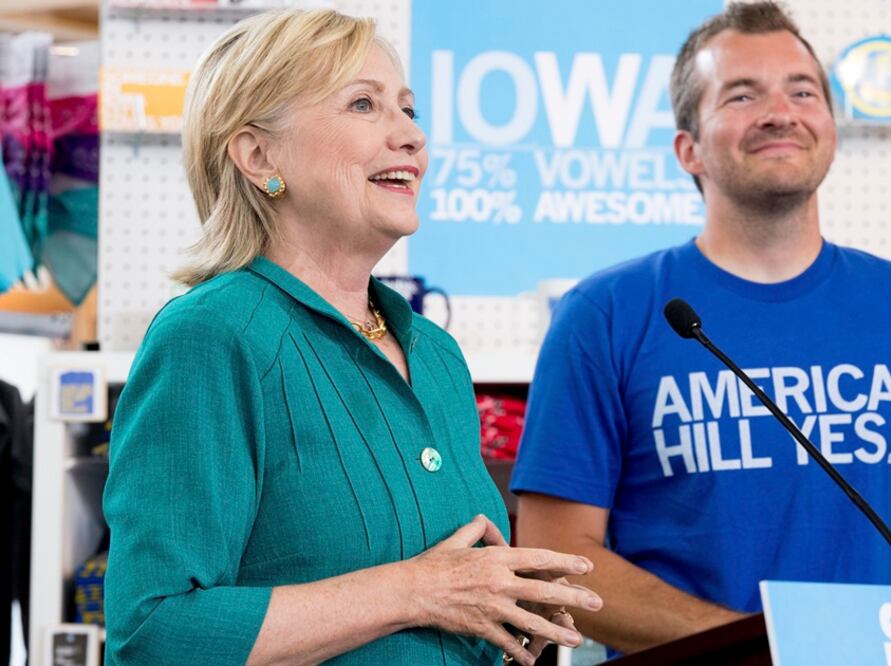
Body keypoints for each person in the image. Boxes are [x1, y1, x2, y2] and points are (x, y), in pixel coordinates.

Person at [102, 10, 601, 665]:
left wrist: (501, 600)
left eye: (409, 110)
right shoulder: (209, 337)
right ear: (258, 156)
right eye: (363, 104)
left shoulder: (437, 356)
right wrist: (418, 592)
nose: (411, 137)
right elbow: (153, 635)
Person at [510, 1, 891, 655]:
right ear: (688, 149)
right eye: (742, 95)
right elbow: (557, 557)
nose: (780, 112)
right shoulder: (603, 314)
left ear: (829, 127)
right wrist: (765, 650)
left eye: (803, 92)